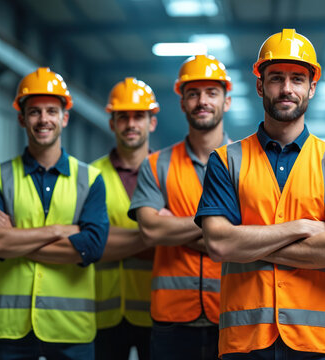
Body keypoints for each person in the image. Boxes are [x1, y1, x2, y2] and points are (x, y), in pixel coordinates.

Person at [194, 29, 325, 359]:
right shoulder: (225, 160)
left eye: (297, 79)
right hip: (245, 339)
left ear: (312, 87)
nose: (286, 89)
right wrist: (299, 227)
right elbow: (218, 244)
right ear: (260, 85)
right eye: (276, 78)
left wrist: (246, 245)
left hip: (316, 341)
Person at [0, 67, 108, 359]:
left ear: (64, 118)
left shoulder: (91, 179)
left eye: (51, 111)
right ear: (22, 118)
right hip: (8, 328)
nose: (43, 119)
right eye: (34, 112)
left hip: (70, 327)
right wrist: (59, 231)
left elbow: (92, 247)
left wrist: (13, 236)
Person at [129, 54, 232, 360]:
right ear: (182, 102)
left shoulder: (247, 162)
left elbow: (254, 233)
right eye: (193, 94)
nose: (202, 101)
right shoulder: (156, 164)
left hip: (231, 314)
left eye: (211, 92)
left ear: (226, 101)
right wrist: (222, 228)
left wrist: (173, 225)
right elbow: (150, 229)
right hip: (171, 320)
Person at [91, 77, 159, 360]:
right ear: (112, 123)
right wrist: (155, 235)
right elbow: (90, 244)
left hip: (157, 312)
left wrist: (112, 239)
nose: (131, 124)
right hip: (102, 315)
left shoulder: (166, 173)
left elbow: (181, 243)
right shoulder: (90, 175)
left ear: (151, 122)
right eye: (123, 117)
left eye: (138, 116)